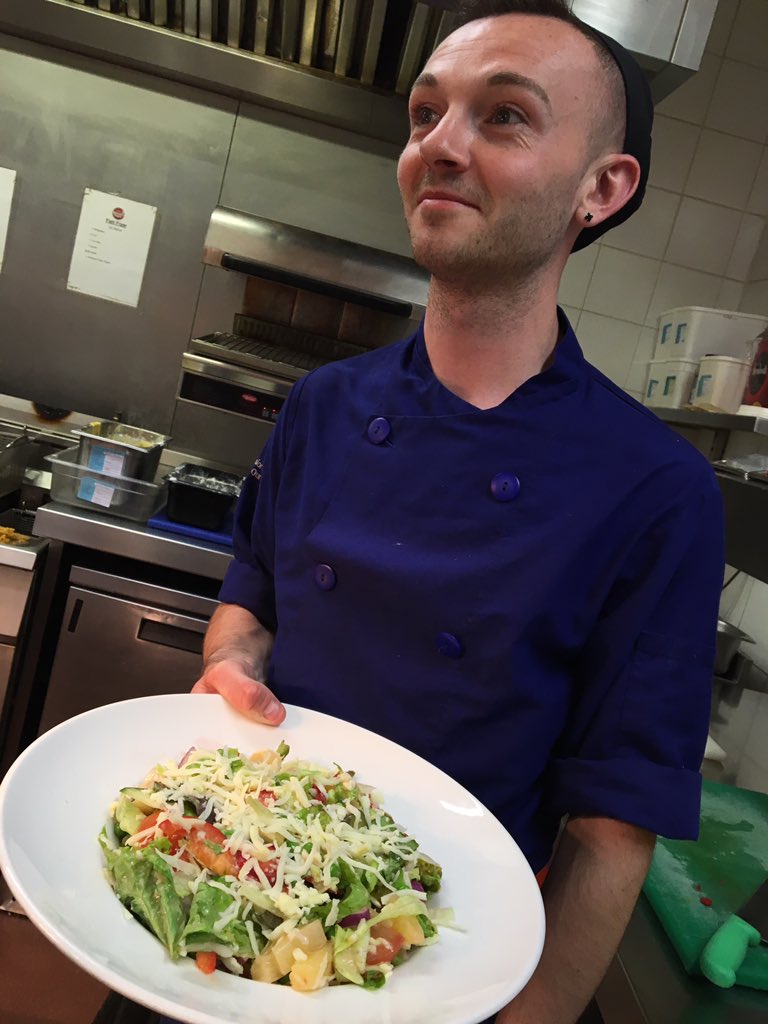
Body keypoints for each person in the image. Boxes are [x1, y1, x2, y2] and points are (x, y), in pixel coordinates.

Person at [193, 1, 724, 1021]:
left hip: (432, 961)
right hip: (234, 898)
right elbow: (250, 597)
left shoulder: (656, 489)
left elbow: (613, 823)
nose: (439, 144)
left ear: (602, 189)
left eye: (505, 116)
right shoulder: (324, 403)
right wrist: (233, 665)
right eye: (426, 112)